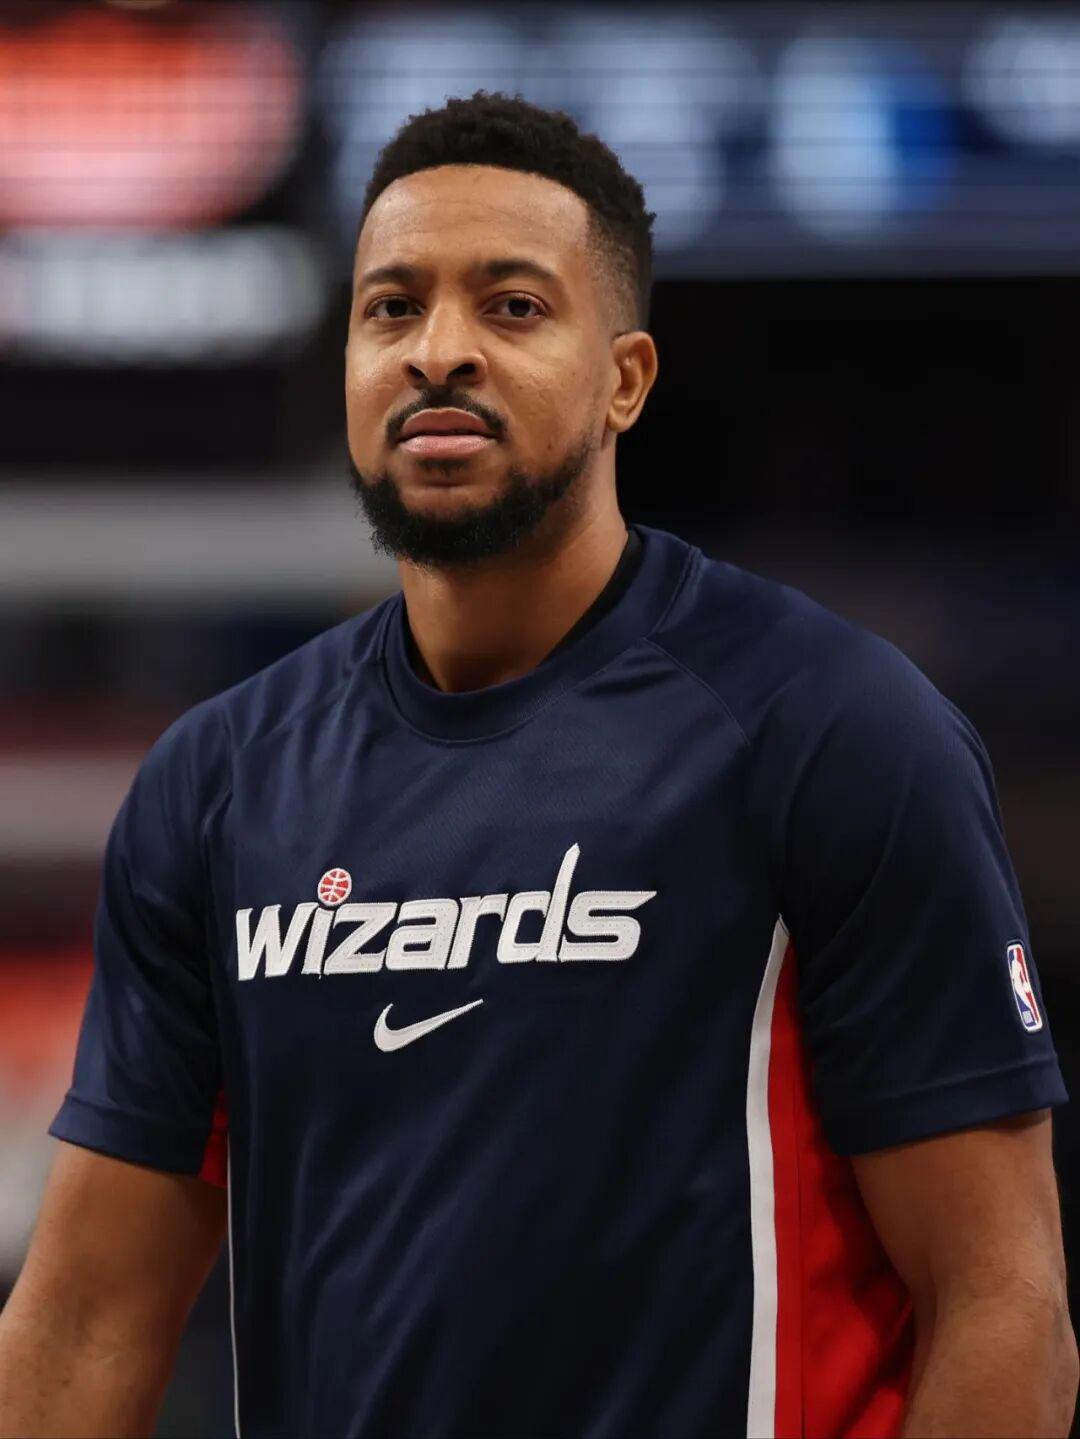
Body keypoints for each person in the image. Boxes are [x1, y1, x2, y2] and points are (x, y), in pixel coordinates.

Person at [0, 91, 1074, 1439]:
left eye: (511, 307)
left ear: (626, 379)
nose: (438, 350)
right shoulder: (218, 782)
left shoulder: (833, 731)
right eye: (392, 308)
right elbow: (84, 1324)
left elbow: (1004, 1308)